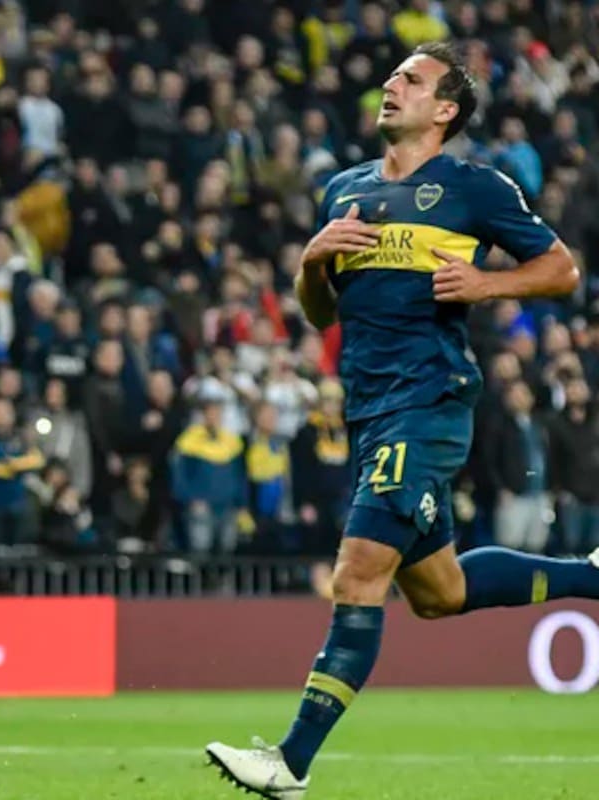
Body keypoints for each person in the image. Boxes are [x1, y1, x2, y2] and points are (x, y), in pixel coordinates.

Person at [206, 43, 588, 799]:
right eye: (392, 76)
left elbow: (562, 269)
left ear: (445, 110)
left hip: (429, 399)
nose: (391, 85)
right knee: (437, 592)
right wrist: (312, 263)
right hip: (370, 407)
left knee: (357, 576)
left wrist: (486, 283)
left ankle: (290, 763)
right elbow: (322, 315)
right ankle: (591, 576)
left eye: (410, 80)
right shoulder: (343, 191)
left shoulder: (475, 188)